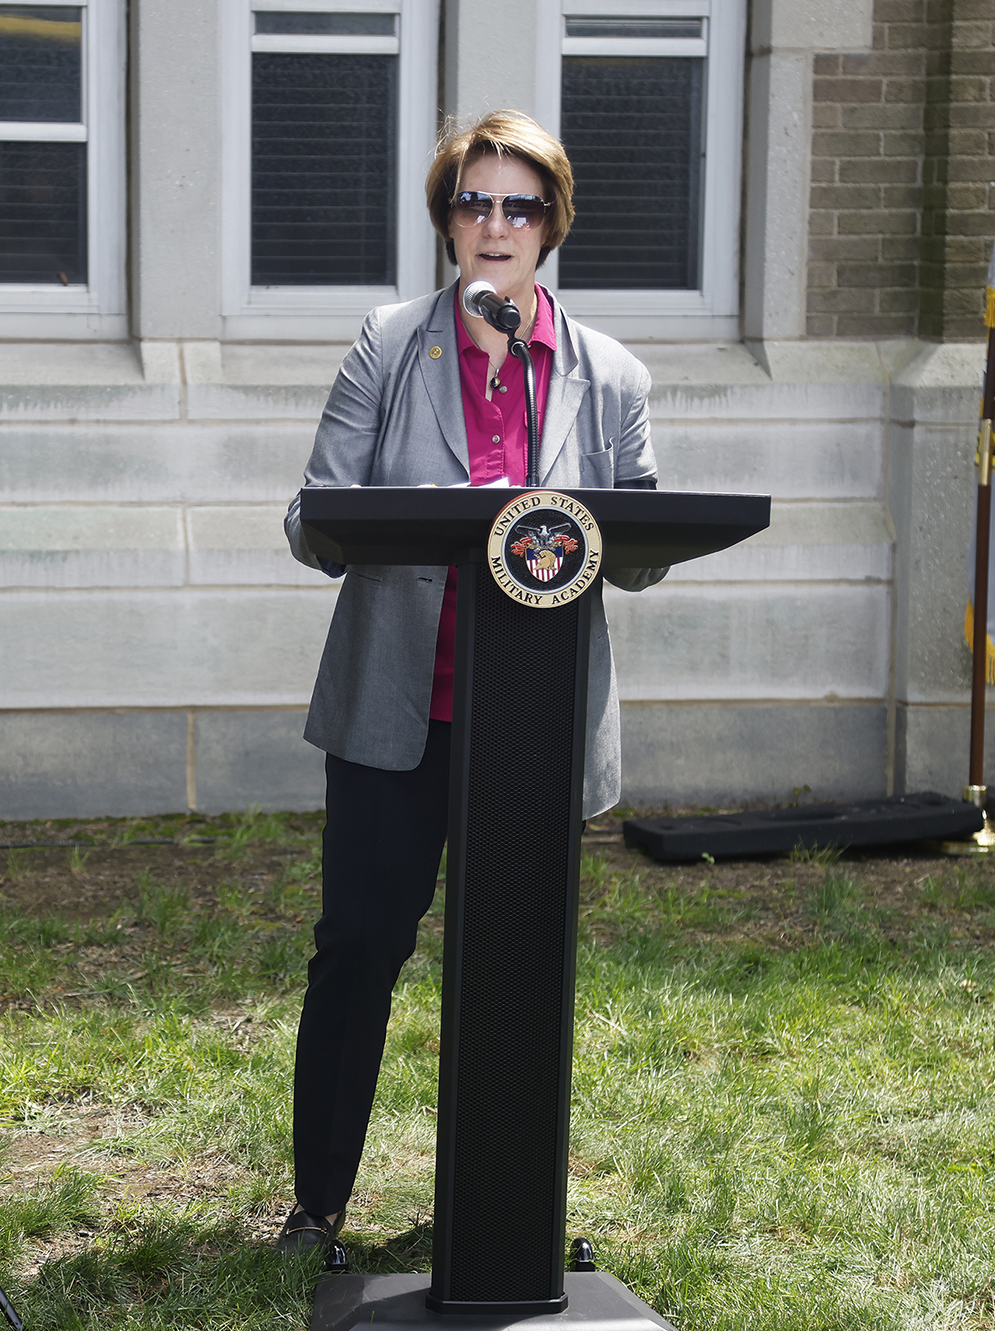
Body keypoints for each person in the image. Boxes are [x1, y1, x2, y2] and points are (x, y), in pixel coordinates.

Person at [277, 111, 668, 1251]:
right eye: (473, 203)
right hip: (398, 711)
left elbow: (638, 550)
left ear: (554, 225)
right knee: (358, 949)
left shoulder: (607, 376)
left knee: (513, 962)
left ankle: (501, 1215)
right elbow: (314, 519)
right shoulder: (388, 346)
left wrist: (603, 528)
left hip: (530, 726)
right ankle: (320, 1204)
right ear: (447, 219)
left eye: (520, 205)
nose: (495, 226)